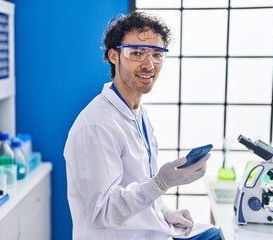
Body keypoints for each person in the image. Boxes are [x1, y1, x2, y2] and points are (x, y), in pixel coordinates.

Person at [64, 11, 222, 240]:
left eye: (157, 54)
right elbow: (103, 212)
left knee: (215, 233)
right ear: (114, 56)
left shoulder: (137, 112)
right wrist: (161, 183)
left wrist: (166, 212)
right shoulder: (96, 126)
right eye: (137, 53)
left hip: (154, 232)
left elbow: (137, 185)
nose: (149, 64)